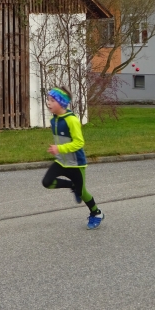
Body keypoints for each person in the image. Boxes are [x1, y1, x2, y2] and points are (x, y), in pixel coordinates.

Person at [41, 87, 104, 230]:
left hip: (76, 164)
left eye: (52, 100)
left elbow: (79, 143)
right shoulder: (53, 120)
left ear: (62, 103)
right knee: (47, 182)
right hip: (61, 162)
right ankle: (73, 186)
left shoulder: (72, 120)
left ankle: (96, 213)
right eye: (48, 100)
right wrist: (58, 151)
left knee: (82, 193)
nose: (48, 103)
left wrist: (60, 148)